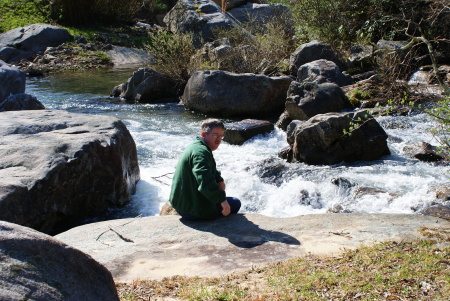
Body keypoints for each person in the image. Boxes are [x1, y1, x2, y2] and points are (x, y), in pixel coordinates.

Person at [169, 118, 241, 220]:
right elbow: (205, 182)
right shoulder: (200, 153)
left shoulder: (198, 147)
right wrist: (222, 200)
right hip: (191, 210)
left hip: (181, 204)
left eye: (221, 136)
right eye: (215, 135)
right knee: (236, 202)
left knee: (227, 200)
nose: (219, 139)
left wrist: (219, 180)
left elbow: (211, 171)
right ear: (203, 134)